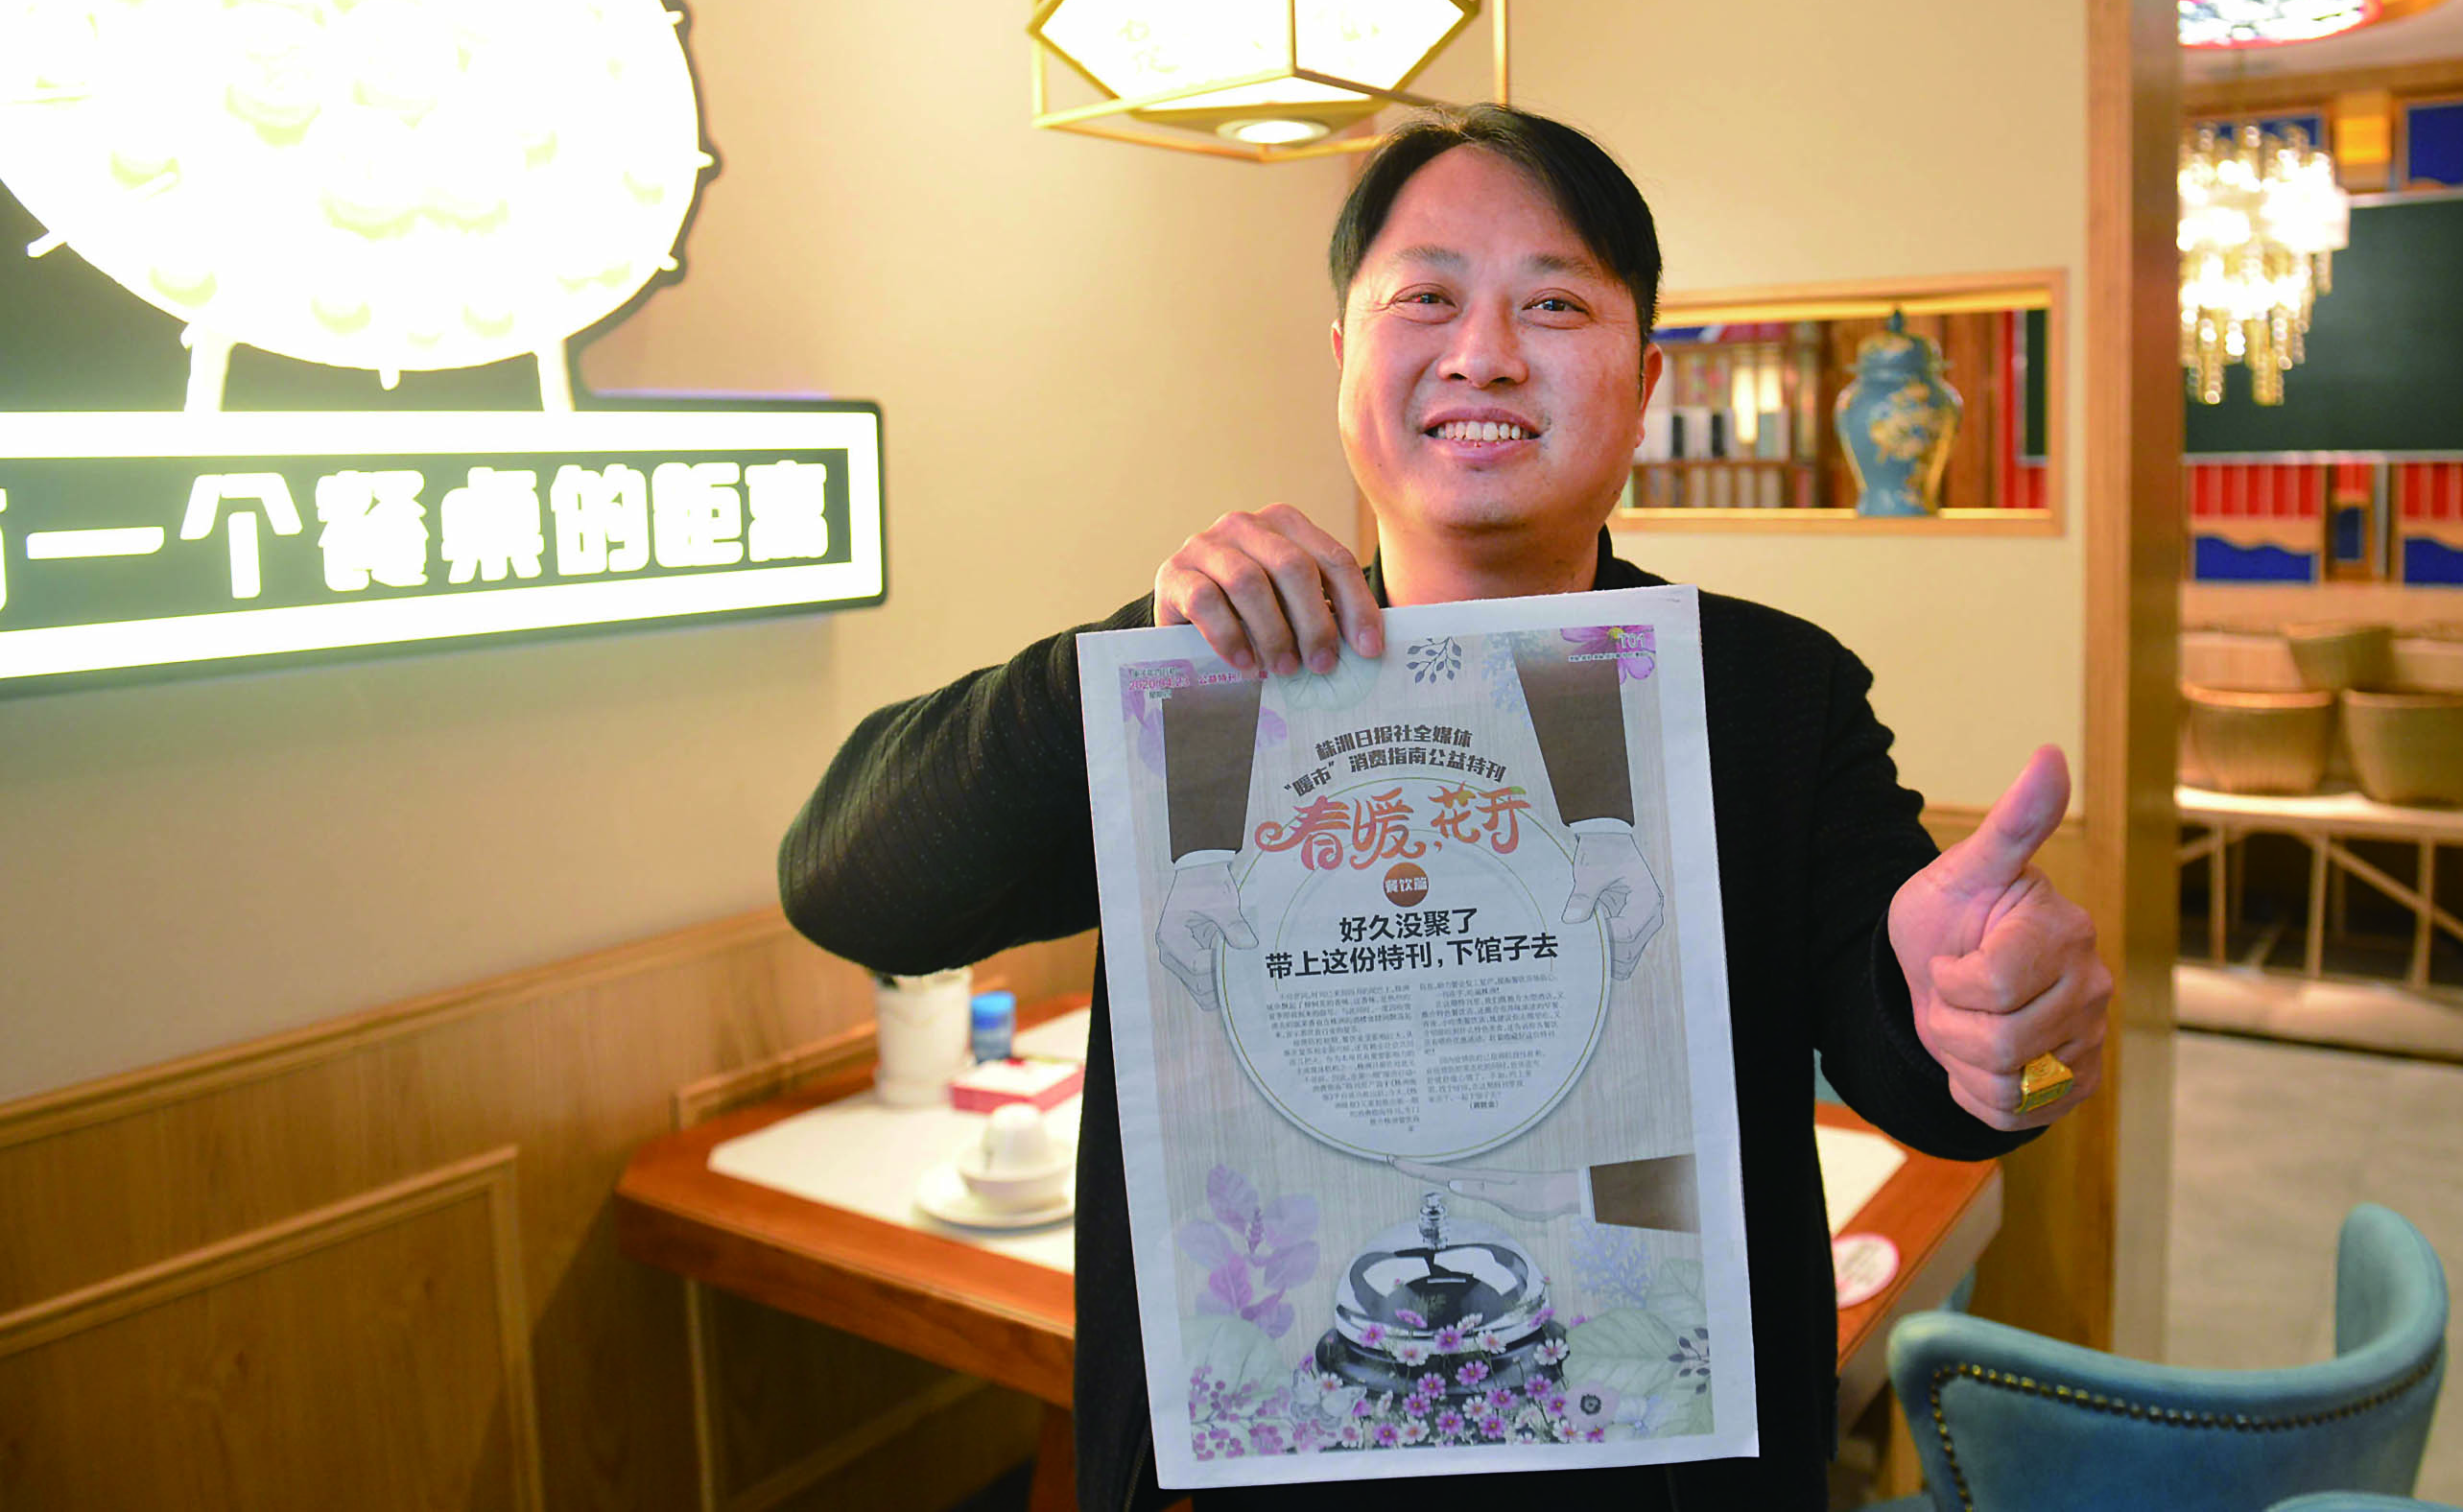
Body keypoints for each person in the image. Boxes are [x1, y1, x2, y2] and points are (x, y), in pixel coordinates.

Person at [779, 105, 2114, 1511]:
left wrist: (2012, 1036)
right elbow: (850, 888)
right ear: (1342, 358)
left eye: (1555, 303)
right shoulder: (1206, 689)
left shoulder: (1767, 697)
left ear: (1645, 382)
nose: (1483, 353)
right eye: (1425, 298)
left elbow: (1944, 1081)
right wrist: (1104, 672)